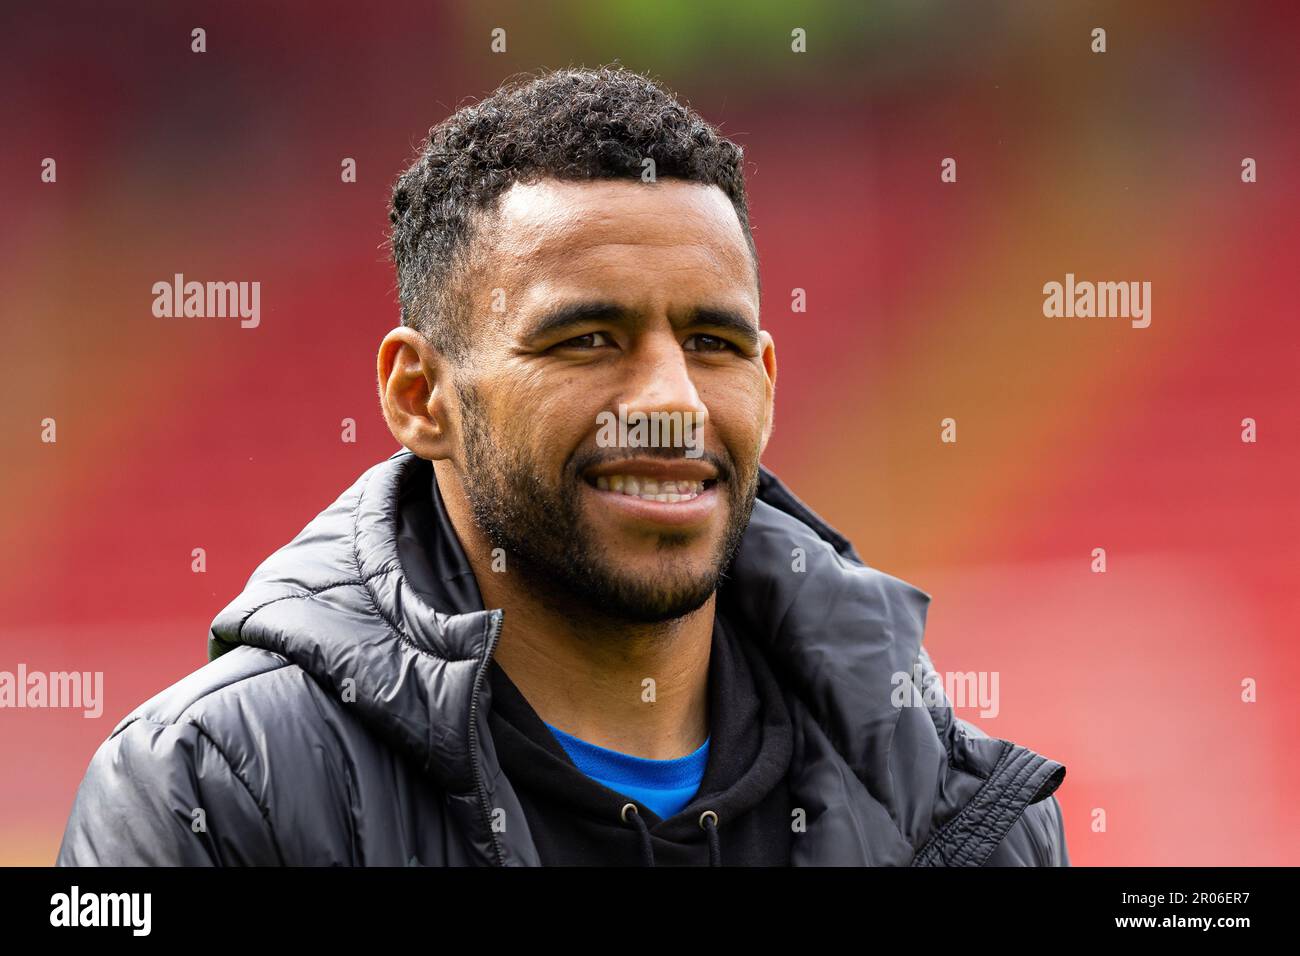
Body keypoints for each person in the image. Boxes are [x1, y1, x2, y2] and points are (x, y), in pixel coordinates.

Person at [58, 65, 1068, 866]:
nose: (671, 402)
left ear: (763, 376)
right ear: (419, 395)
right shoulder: (216, 790)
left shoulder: (957, 804)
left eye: (713, 343)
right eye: (589, 338)